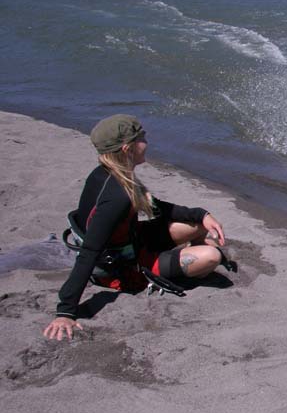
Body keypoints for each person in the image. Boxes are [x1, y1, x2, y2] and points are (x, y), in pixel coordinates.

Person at [43, 114, 233, 341]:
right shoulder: (116, 196)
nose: (147, 142)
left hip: (132, 240)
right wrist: (65, 311)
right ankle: (193, 267)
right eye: (142, 137)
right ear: (128, 148)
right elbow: (90, 252)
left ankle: (191, 261)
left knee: (198, 226)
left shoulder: (112, 173)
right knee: (211, 256)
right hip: (122, 266)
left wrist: (201, 214)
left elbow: (157, 207)